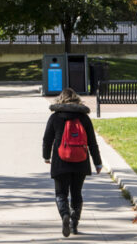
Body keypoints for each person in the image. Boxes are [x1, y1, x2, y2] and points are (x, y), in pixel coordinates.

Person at [43, 88, 102, 237]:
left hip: (60, 160)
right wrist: (97, 163)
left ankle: (65, 215)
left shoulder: (55, 117)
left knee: (61, 193)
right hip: (80, 160)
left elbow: (47, 139)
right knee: (77, 193)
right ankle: (74, 223)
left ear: (60, 99)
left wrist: (46, 156)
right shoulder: (84, 118)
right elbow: (92, 142)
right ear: (76, 99)